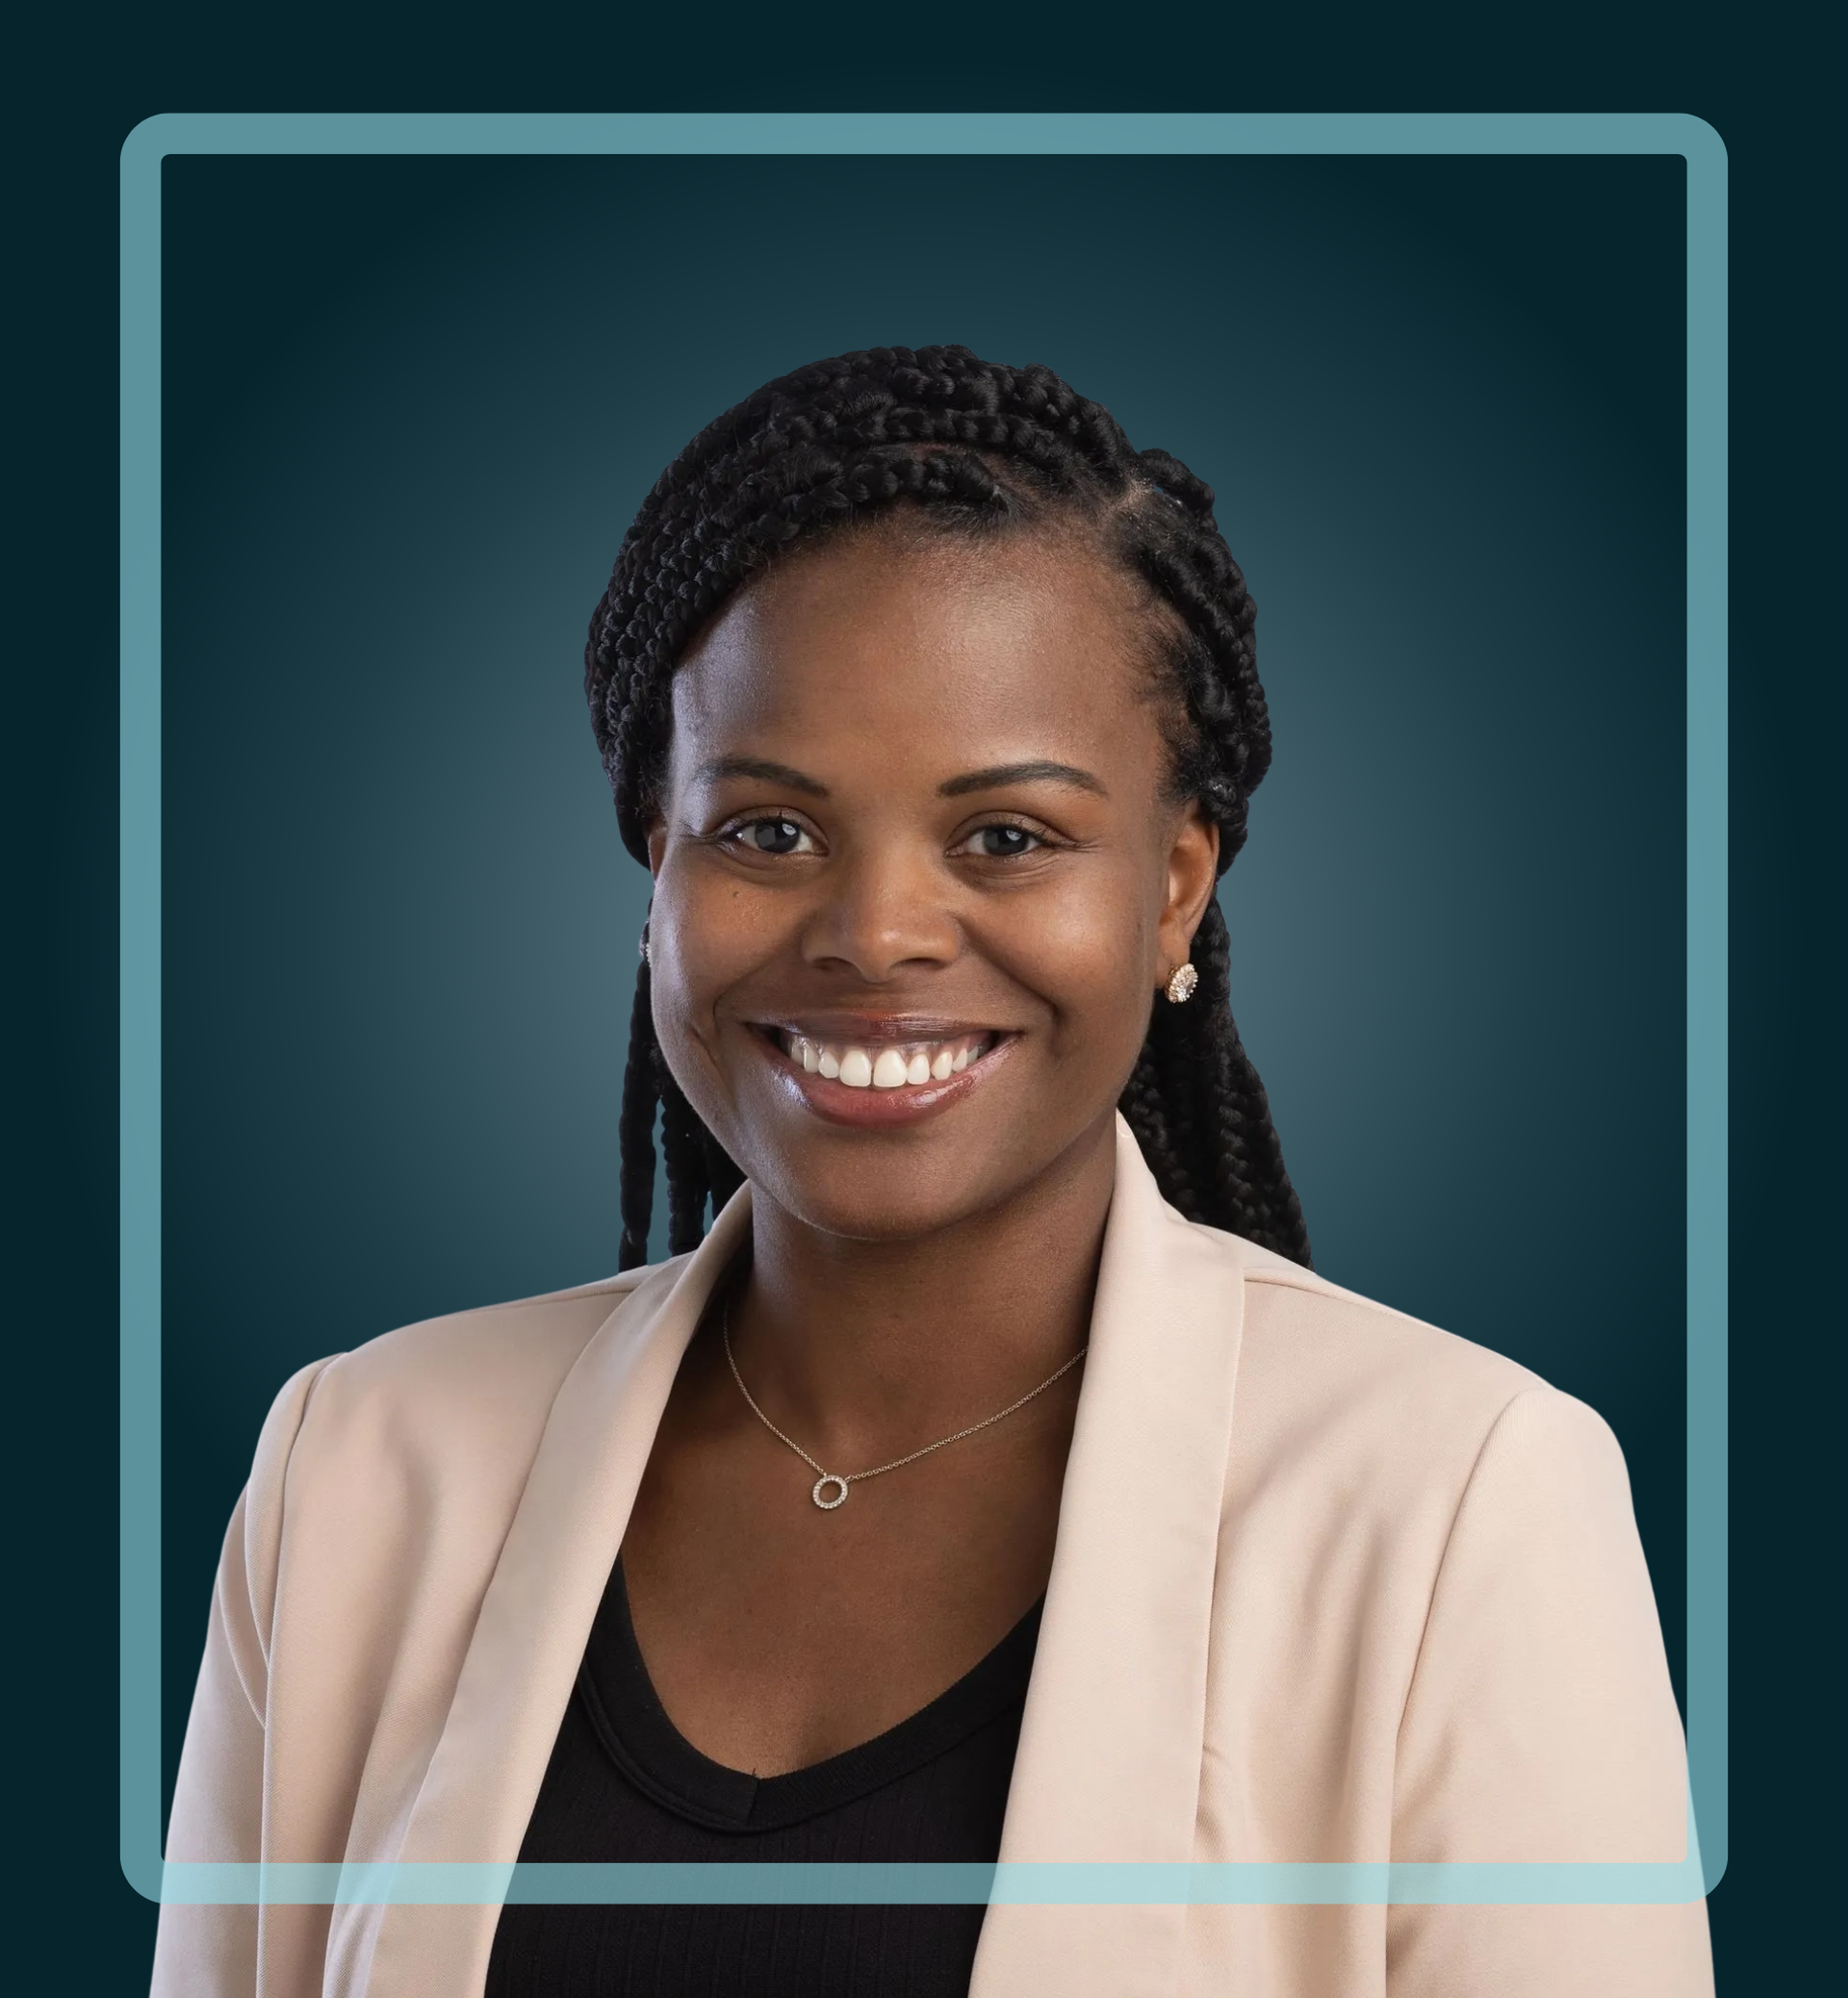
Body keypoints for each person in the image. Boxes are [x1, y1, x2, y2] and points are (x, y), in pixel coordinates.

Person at [151, 345, 1712, 1997]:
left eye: (1006, 838)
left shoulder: (1462, 1502)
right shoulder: (358, 1466)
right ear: (657, 866)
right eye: (767, 830)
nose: (877, 933)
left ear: (1174, 887)